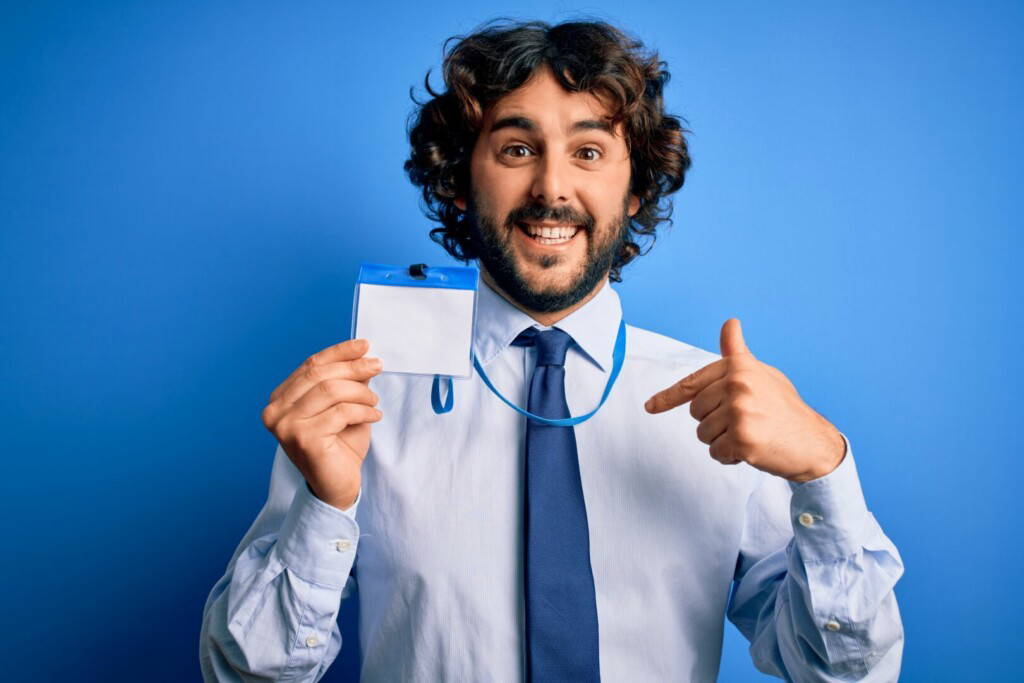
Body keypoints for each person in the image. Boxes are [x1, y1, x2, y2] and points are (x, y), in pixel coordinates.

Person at [200, 18, 904, 682]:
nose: (551, 188)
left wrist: (823, 469)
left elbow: (844, 671)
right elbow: (243, 672)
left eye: (589, 151)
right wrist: (325, 501)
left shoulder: (723, 408)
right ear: (460, 181)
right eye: (516, 149)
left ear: (635, 190)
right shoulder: (362, 404)